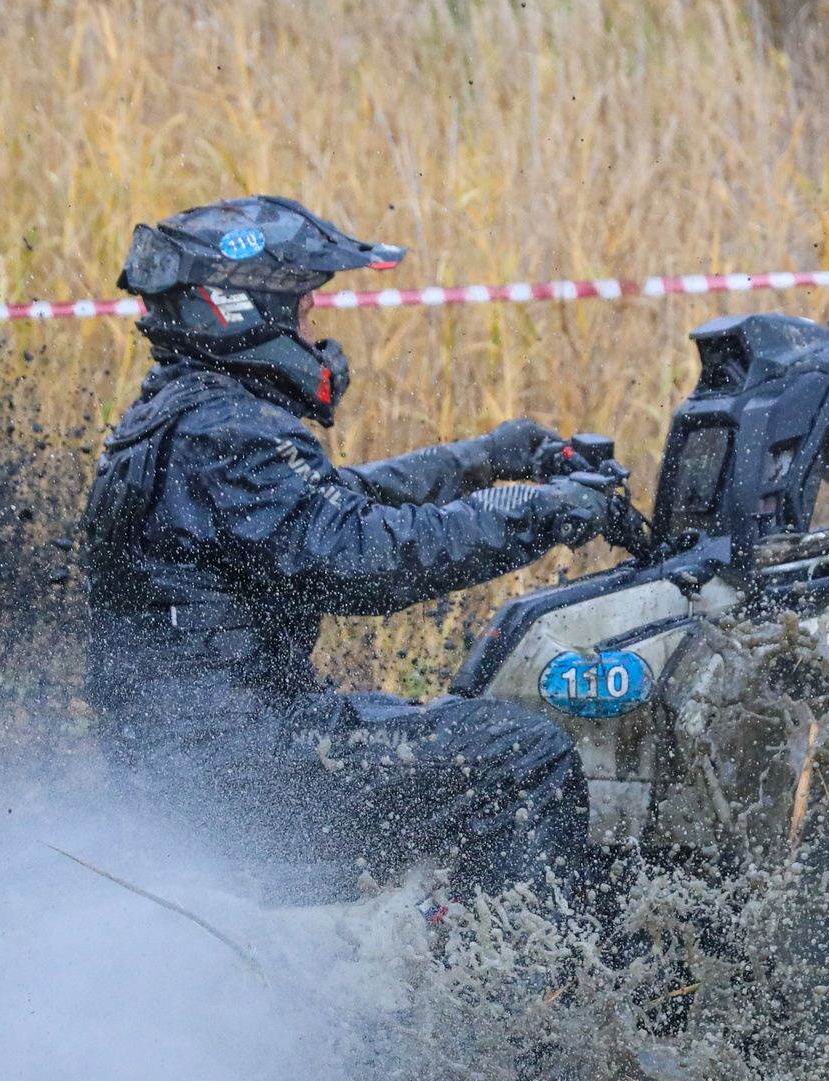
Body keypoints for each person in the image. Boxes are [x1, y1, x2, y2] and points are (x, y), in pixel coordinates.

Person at [80, 195, 617, 901]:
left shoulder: (187, 417)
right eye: (305, 307)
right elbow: (359, 557)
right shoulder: (227, 432)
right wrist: (539, 512)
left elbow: (331, 502)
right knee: (521, 754)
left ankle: (429, 943)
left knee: (434, 733)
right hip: (236, 768)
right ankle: (523, 997)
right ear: (242, 312)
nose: (316, 325)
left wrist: (487, 457)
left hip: (195, 755)